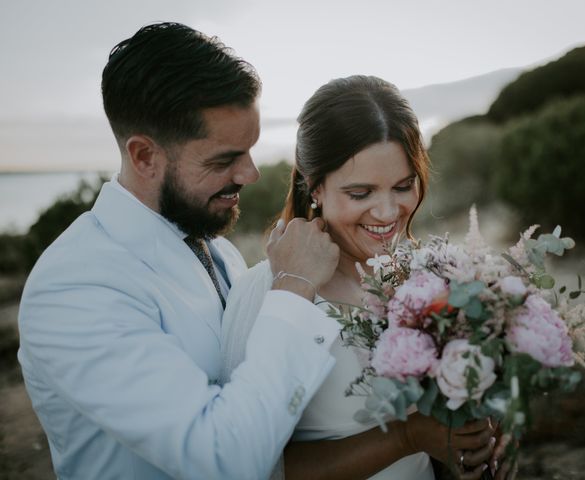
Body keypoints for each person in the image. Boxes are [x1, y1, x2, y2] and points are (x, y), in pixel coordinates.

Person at [17, 22, 343, 479]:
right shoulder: (74, 288)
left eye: (249, 151)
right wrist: (294, 288)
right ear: (145, 156)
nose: (250, 174)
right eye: (224, 159)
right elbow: (222, 457)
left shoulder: (220, 251)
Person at [222, 76, 515, 479]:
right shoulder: (268, 294)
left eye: (403, 185)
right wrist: (406, 437)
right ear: (315, 188)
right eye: (360, 194)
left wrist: (480, 436)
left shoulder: (434, 276)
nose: (387, 212)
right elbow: (247, 466)